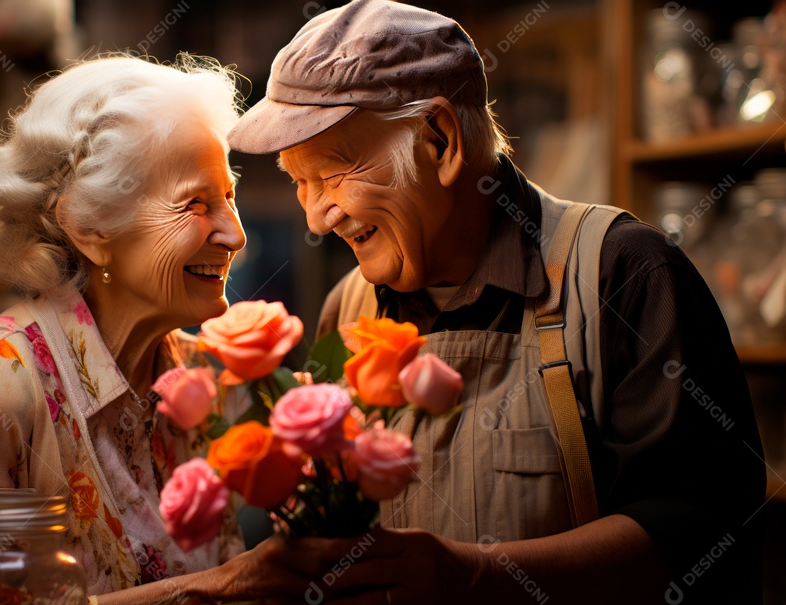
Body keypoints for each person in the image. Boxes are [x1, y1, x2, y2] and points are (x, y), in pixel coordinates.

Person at [226, 1, 767, 603]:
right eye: (299, 182)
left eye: (331, 174)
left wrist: (477, 576)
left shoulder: (624, 274)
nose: (317, 217)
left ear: (439, 140)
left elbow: (707, 530)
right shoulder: (346, 311)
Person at [0, 54, 285, 602]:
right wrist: (220, 586)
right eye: (195, 204)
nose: (235, 234)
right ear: (89, 227)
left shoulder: (197, 375)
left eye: (229, 196)